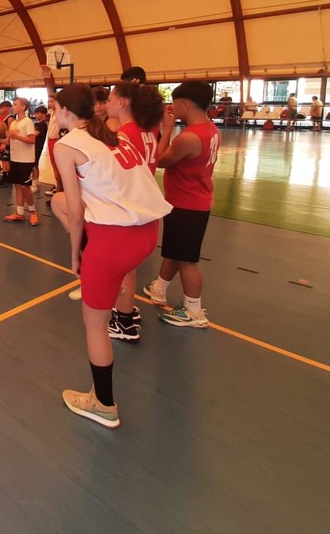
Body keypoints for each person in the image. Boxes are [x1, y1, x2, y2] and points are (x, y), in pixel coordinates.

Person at [51, 84, 171, 428]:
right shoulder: (117, 136)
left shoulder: (66, 145)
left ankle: (103, 404)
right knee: (56, 201)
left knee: (95, 327)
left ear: (65, 111)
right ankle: (112, 280)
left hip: (113, 242)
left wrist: (76, 254)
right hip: (147, 234)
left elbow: (77, 213)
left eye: (55, 107)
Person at [144, 81, 220, 328]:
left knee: (187, 261)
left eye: (175, 103)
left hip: (186, 204)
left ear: (185, 104)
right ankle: (159, 288)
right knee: (176, 251)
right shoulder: (211, 129)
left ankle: (193, 311)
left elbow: (159, 160)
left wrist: (166, 129)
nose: (172, 107)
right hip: (195, 200)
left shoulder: (188, 137)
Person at [104, 81, 166, 343]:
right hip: (146, 203)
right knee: (129, 266)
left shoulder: (125, 135)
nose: (106, 104)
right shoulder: (148, 130)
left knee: (123, 267)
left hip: (130, 204)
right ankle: (127, 309)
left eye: (110, 99)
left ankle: (125, 321)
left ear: (122, 102)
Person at [4, 97, 39, 226]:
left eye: (15, 104)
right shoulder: (13, 123)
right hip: (15, 158)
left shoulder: (28, 122)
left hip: (26, 160)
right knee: (17, 186)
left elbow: (32, 140)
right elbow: (9, 142)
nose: (13, 106)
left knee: (25, 187)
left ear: (23, 107)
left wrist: (16, 136)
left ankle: (33, 212)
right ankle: (19, 213)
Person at [0, 100, 13, 186]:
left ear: (8, 109)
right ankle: (5, 175)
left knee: (6, 159)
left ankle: (7, 177)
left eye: (2, 108)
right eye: (0, 108)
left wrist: (5, 143)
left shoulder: (10, 118)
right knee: (3, 159)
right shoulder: (4, 118)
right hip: (4, 141)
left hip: (8, 143)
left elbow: (10, 131)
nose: (0, 110)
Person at [31, 105, 49, 195]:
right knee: (35, 165)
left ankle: (35, 184)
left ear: (44, 114)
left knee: (34, 166)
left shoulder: (43, 125)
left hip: (37, 147)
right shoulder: (37, 124)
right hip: (34, 147)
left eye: (38, 113)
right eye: (35, 113)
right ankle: (36, 182)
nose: (36, 115)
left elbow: (34, 135)